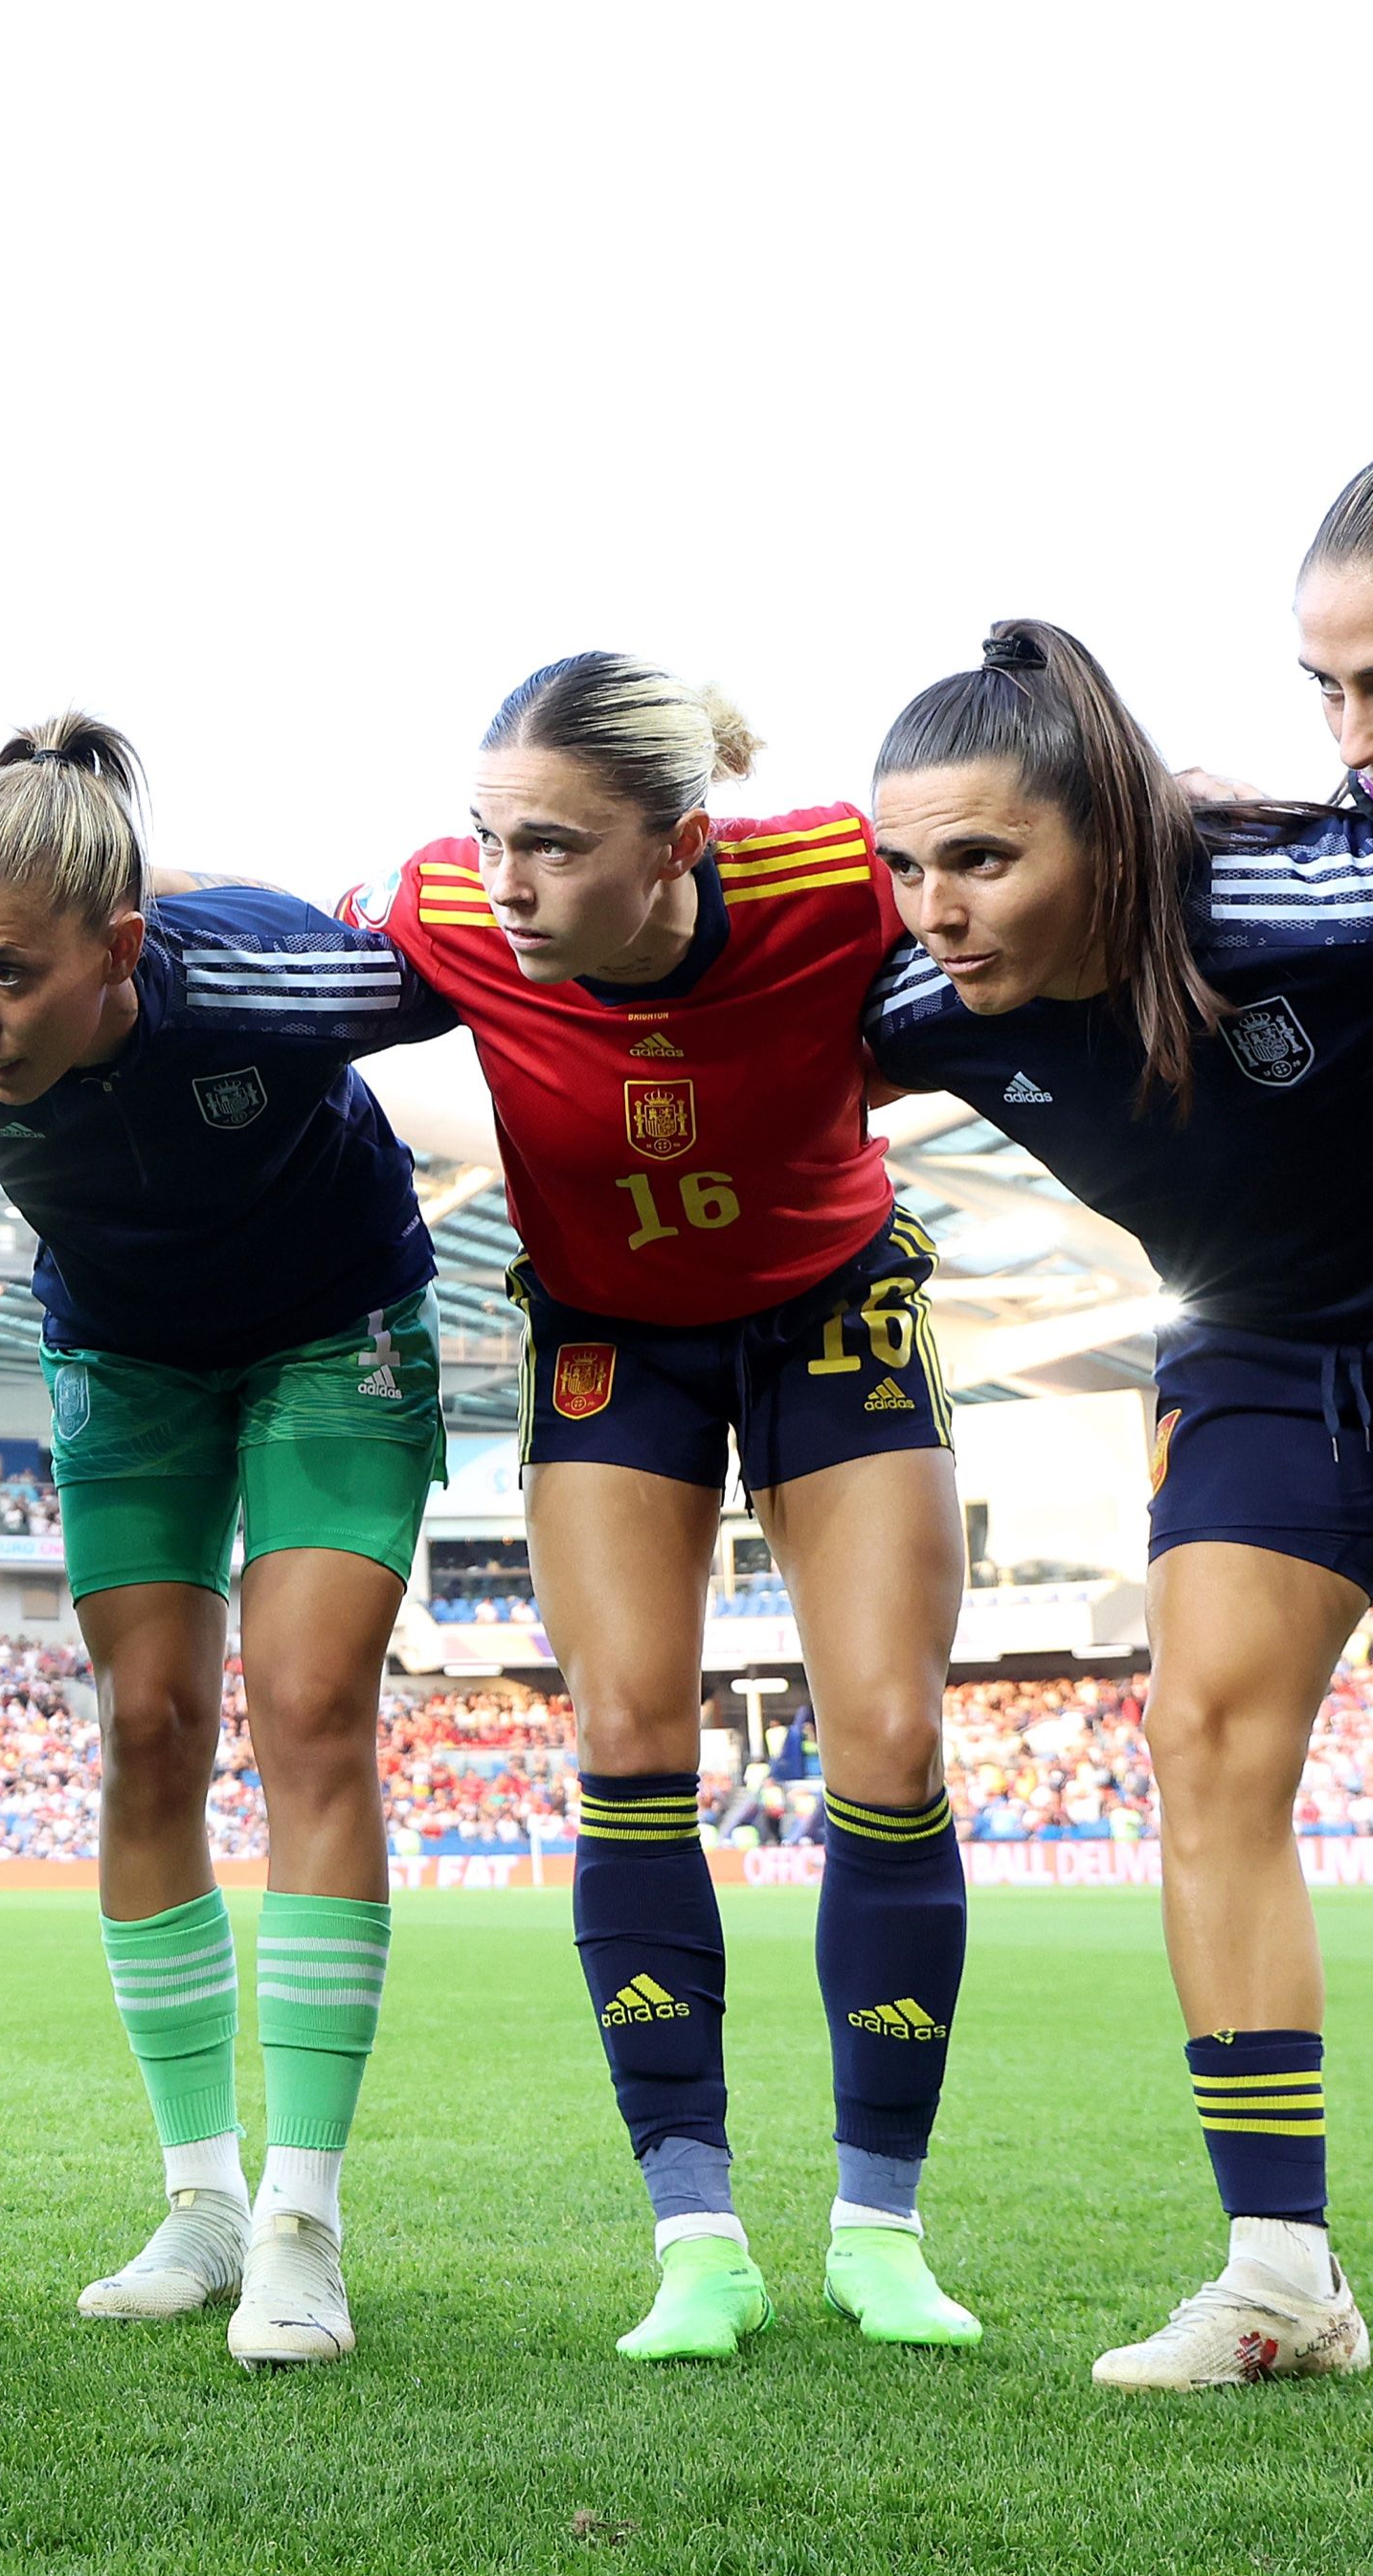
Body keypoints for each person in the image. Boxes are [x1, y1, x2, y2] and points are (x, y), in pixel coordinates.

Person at [0, 716, 441, 2367]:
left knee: (304, 1706)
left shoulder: (273, 976)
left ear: (120, 950)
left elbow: (481, 933)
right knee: (146, 1730)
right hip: (123, 1358)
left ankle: (301, 2220)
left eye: (6, 973)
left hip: (331, 1327)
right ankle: (201, 2203)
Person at [335, 654, 979, 2361]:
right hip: (615, 1336)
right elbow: (241, 952)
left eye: (551, 843)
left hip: (831, 1311)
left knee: (893, 1740)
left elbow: (1020, 896)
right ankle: (694, 2235)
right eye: (489, 836)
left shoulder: (836, 873)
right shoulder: (442, 915)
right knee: (625, 1737)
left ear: (678, 842)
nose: (506, 879)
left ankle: (879, 2228)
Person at [868, 588, 1373, 2388]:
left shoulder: (1305, 897)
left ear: (1106, 841)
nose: (936, 911)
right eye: (906, 867)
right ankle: (1279, 2274)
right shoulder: (919, 994)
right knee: (1202, 1742)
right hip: (1261, 1357)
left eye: (983, 861)